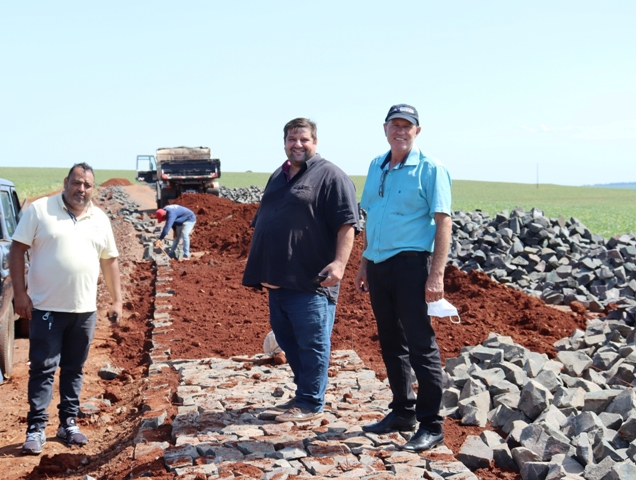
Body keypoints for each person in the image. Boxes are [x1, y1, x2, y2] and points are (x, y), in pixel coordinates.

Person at [242, 117, 359, 423]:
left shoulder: (331, 176)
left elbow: (347, 224)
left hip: (310, 279)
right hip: (277, 280)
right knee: (287, 338)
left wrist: (339, 264)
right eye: (292, 139)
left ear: (315, 143)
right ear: (284, 143)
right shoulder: (278, 177)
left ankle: (310, 402)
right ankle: (303, 394)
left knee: (312, 341)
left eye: (304, 139)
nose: (297, 144)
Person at [355, 104, 452, 452]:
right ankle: (402, 412)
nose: (401, 131)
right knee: (391, 342)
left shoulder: (431, 169)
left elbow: (443, 223)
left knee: (420, 345)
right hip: (379, 265)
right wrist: (364, 262)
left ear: (417, 131)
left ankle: (431, 424)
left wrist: (436, 275)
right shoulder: (376, 165)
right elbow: (373, 215)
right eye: (395, 125)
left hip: (411, 265)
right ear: (385, 129)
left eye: (407, 126)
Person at [9, 163, 122, 455]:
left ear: (92, 189)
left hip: (84, 310)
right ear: (66, 182)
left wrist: (116, 300)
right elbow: (17, 249)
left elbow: (109, 261)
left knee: (74, 368)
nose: (80, 189)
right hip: (46, 307)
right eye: (76, 182)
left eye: (86, 185)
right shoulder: (40, 211)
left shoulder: (99, 219)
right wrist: (20, 294)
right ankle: (35, 428)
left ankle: (68, 423)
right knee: (43, 368)